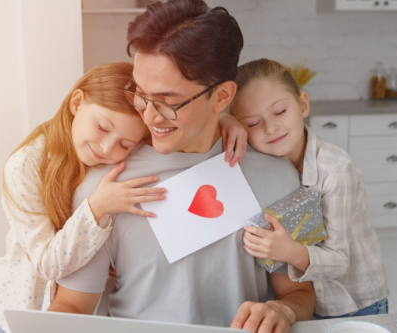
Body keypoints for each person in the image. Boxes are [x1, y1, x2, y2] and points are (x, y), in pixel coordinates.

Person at [48, 1, 316, 333]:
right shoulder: (105, 189)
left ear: (221, 97)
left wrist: (283, 310)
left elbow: (299, 293)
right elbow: (73, 304)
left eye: (169, 102)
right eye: (140, 93)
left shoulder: (278, 179)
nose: (149, 115)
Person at [0, 60, 247, 333]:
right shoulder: (26, 165)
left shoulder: (127, 148)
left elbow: (179, 127)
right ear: (76, 103)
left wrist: (225, 119)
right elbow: (48, 265)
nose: (106, 147)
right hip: (20, 313)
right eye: (102, 128)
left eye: (124, 144)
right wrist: (97, 208)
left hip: (85, 313)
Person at [230, 58, 389, 319]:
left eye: (280, 112)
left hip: (353, 304)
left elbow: (339, 261)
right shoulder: (258, 167)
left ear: (303, 105)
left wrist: (287, 251)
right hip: (302, 305)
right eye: (253, 123)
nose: (271, 128)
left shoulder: (337, 171)